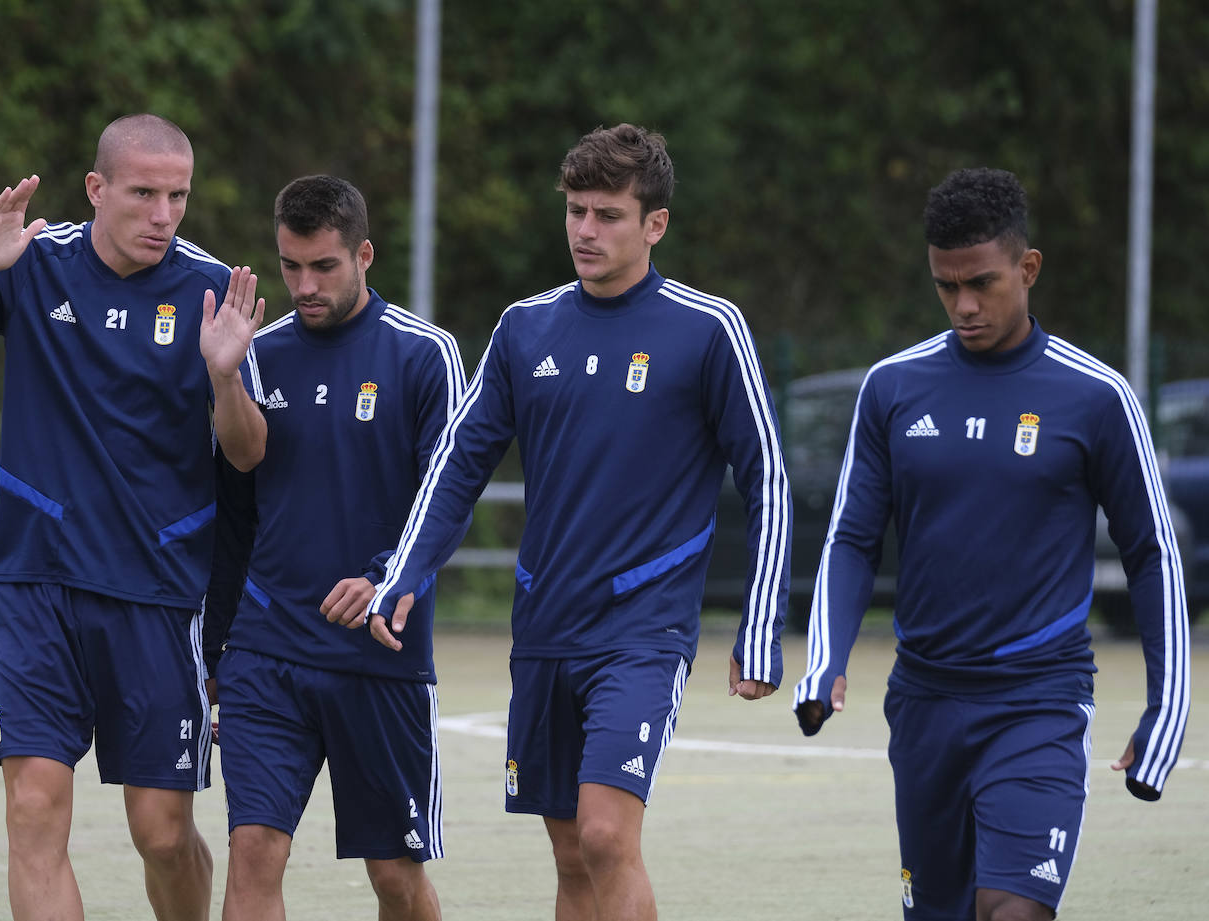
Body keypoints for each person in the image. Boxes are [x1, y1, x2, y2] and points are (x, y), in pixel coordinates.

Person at [363, 123, 792, 921]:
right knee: (569, 856)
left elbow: (766, 476)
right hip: (546, 622)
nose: (585, 231)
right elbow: (458, 463)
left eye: (607, 215)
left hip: (643, 628)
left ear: (654, 223)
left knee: (604, 834)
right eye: (575, 211)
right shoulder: (526, 327)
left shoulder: (707, 329)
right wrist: (406, 572)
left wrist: (760, 623)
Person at [0, 113, 267, 921]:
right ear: (97, 189)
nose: (164, 214)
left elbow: (249, 453)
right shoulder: (29, 266)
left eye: (178, 196)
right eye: (144, 193)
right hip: (35, 585)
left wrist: (227, 378)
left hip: (157, 594)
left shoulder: (209, 289)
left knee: (161, 832)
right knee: (34, 811)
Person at [792, 167, 1191, 921]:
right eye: (946, 286)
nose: (964, 305)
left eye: (982, 282)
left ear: (1028, 268)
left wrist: (1165, 703)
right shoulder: (891, 388)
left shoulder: (1096, 397)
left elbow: (1152, 554)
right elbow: (851, 536)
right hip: (925, 702)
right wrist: (827, 661)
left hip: (1039, 700)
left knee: (1013, 908)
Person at [202, 175, 466, 921]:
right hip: (266, 651)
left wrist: (386, 579)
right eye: (290, 266)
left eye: (323, 266)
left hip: (379, 657)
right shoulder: (255, 354)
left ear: (364, 255)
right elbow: (234, 513)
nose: (304, 285)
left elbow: (447, 498)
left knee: (394, 876)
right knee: (254, 848)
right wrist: (216, 644)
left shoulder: (426, 355)